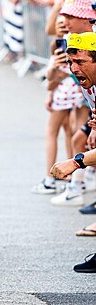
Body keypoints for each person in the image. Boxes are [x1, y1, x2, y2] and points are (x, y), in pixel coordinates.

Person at [49, 31, 96, 273]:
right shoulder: (88, 82)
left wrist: (77, 162)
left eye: (80, 62)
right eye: (70, 62)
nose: (74, 68)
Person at [31, 15, 85, 194]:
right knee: (74, 132)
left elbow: (52, 78)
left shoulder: (62, 46)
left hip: (64, 91)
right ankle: (74, 177)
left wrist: (50, 90)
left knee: (52, 132)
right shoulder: (81, 41)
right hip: (78, 91)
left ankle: (50, 179)